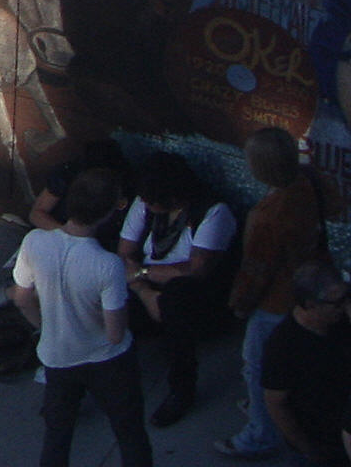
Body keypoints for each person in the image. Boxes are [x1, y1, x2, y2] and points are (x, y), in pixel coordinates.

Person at [17, 165, 153, 467]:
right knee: (130, 434)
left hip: (58, 358)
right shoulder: (107, 265)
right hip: (109, 362)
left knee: (57, 437)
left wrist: (49, 328)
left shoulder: (35, 242)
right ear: (108, 213)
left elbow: (22, 298)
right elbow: (115, 333)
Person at [230, 130, 336, 461]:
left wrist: (239, 304)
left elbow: (257, 269)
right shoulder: (307, 186)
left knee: (259, 368)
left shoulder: (269, 215)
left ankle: (261, 433)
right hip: (306, 287)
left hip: (274, 301)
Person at [127, 156, 240, 429]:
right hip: (145, 286)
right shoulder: (145, 203)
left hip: (195, 296)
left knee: (176, 299)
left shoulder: (213, 212)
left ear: (173, 197)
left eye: (153, 202)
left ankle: (181, 390)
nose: (146, 205)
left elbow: (196, 270)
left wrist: (144, 275)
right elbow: (123, 257)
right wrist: (145, 293)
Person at [253, 267, 349, 466]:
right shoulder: (283, 346)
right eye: (338, 302)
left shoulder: (341, 321)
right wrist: (307, 448)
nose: (345, 305)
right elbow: (276, 402)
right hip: (323, 441)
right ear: (310, 305)